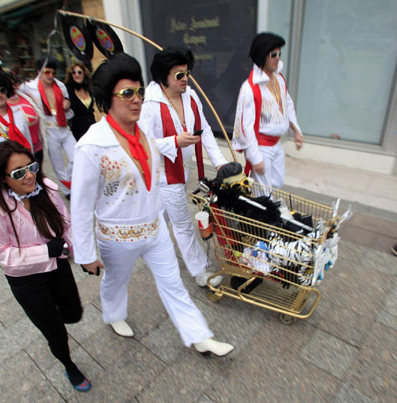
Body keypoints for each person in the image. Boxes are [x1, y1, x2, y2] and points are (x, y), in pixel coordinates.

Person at [71, 52, 234, 356]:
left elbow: (155, 157)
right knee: (115, 282)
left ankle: (199, 336)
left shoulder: (143, 132)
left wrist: (180, 145)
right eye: (127, 93)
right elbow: (79, 207)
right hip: (117, 236)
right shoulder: (91, 145)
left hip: (154, 229)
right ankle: (114, 314)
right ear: (108, 98)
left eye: (139, 92)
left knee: (173, 284)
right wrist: (86, 253)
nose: (137, 100)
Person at [0, 141, 91, 392]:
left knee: (73, 313)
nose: (30, 175)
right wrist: (44, 251)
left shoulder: (48, 188)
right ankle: (68, 364)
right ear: (2, 178)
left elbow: (66, 224)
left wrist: (81, 255)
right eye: (19, 173)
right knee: (54, 331)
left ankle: (57, 320)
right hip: (27, 281)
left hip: (58, 267)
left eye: (31, 167)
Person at [139, 46, 228, 288]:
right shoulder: (150, 105)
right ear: (163, 77)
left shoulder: (191, 96)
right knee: (182, 224)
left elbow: (206, 130)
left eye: (187, 72)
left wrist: (220, 162)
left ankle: (148, 243)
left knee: (160, 215)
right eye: (179, 75)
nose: (185, 79)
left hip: (183, 169)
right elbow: (142, 145)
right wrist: (174, 142)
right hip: (164, 175)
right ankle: (200, 271)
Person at [232, 32, 304, 189]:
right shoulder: (250, 88)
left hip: (276, 144)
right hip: (261, 146)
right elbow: (246, 126)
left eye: (279, 54)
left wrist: (296, 130)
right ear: (262, 56)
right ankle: (259, 211)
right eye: (273, 54)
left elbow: (287, 105)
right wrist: (255, 157)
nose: (278, 58)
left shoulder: (279, 79)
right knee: (263, 192)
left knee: (277, 183)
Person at [22, 59, 75, 198]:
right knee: (58, 164)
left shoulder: (60, 86)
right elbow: (15, 92)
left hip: (63, 126)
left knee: (76, 157)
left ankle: (71, 181)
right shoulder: (29, 87)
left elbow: (67, 102)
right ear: (39, 72)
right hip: (48, 131)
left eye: (53, 72)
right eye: (47, 72)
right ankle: (67, 190)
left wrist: (67, 104)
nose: (50, 75)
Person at [7, 72, 44, 165]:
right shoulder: (4, 105)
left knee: (38, 173)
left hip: (38, 147)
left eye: (14, 83)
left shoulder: (25, 96)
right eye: (9, 84)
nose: (13, 87)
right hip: (21, 150)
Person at [64, 62, 96, 141]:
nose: (77, 75)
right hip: (78, 130)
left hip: (92, 127)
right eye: (73, 73)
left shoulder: (89, 89)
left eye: (79, 72)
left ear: (84, 74)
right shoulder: (68, 91)